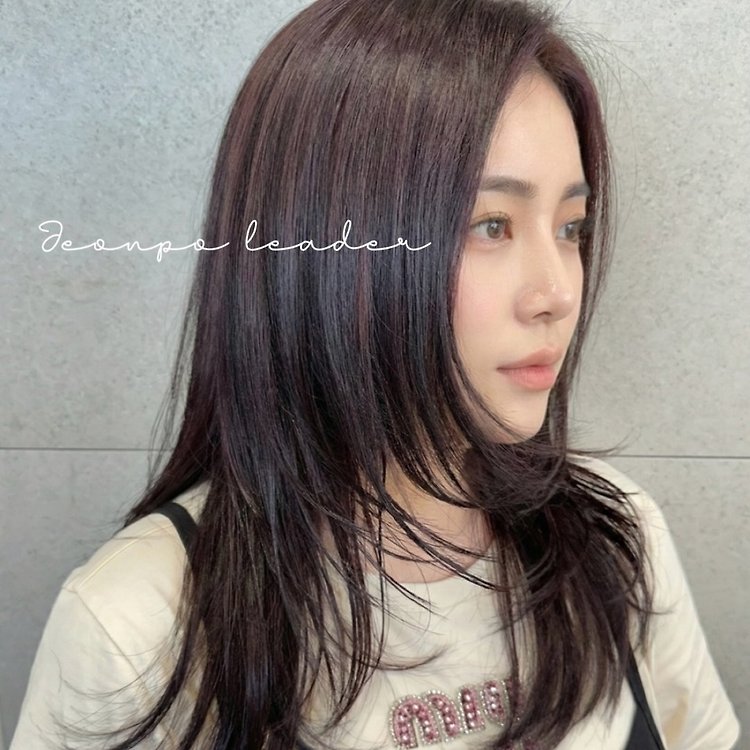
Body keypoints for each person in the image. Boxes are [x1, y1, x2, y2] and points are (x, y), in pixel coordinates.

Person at [10, 0, 741, 748]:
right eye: (491, 225)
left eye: (570, 228)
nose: (557, 293)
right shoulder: (137, 626)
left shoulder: (613, 538)